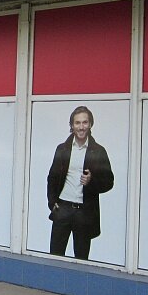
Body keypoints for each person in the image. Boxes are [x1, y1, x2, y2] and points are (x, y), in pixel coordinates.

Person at [46, 106, 114, 260]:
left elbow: (109, 182)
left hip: (84, 212)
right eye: (77, 123)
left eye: (85, 122)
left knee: (82, 259)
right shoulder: (62, 149)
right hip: (62, 208)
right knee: (55, 257)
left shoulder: (98, 151)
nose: (81, 127)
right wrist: (52, 202)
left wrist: (92, 181)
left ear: (90, 124)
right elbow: (52, 177)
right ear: (72, 125)